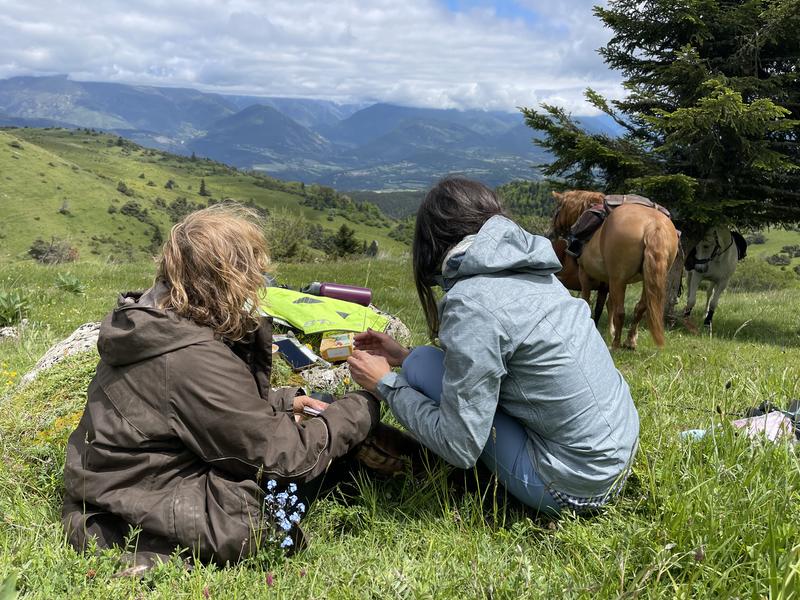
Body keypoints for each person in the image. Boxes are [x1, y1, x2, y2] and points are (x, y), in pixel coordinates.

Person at [62, 205, 382, 566]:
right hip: (129, 512)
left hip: (114, 491)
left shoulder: (152, 324)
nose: (258, 284)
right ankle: (152, 558)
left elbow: (194, 407)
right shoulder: (189, 356)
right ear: (225, 279)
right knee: (259, 518)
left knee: (316, 411)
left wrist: (289, 401)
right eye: (252, 274)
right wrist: (365, 403)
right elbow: (286, 457)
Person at [348, 177, 639, 515]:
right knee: (423, 361)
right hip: (618, 454)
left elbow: (460, 446)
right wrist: (402, 357)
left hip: (575, 487)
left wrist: (386, 385)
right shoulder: (531, 266)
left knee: (425, 370)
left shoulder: (472, 302)